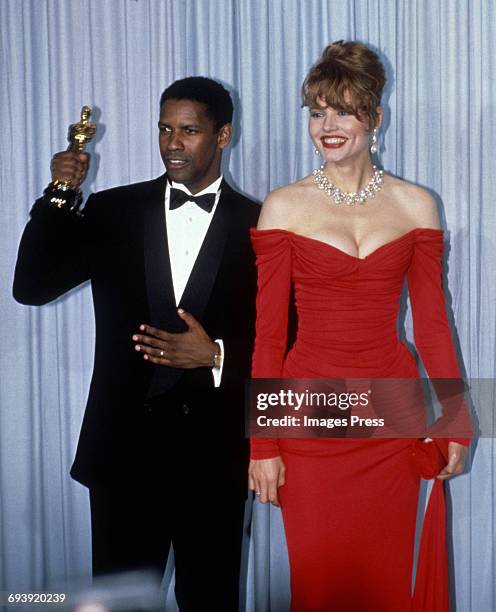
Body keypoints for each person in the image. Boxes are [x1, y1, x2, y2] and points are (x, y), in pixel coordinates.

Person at [13, 77, 259, 611]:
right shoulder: (112, 211)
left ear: (223, 136)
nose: (173, 142)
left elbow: (289, 341)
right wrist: (60, 195)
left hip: (215, 464)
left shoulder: (263, 225)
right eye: (165, 129)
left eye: (189, 130)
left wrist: (216, 355)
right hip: (123, 458)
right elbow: (31, 287)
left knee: (212, 602)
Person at [248, 41, 470, 611]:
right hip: (310, 419)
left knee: (390, 577)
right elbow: (269, 335)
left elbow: (435, 328)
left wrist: (457, 422)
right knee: (321, 581)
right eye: (317, 111)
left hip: (394, 418)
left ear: (374, 117)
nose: (328, 125)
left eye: (343, 110)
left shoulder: (417, 204)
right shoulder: (284, 206)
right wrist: (263, 441)